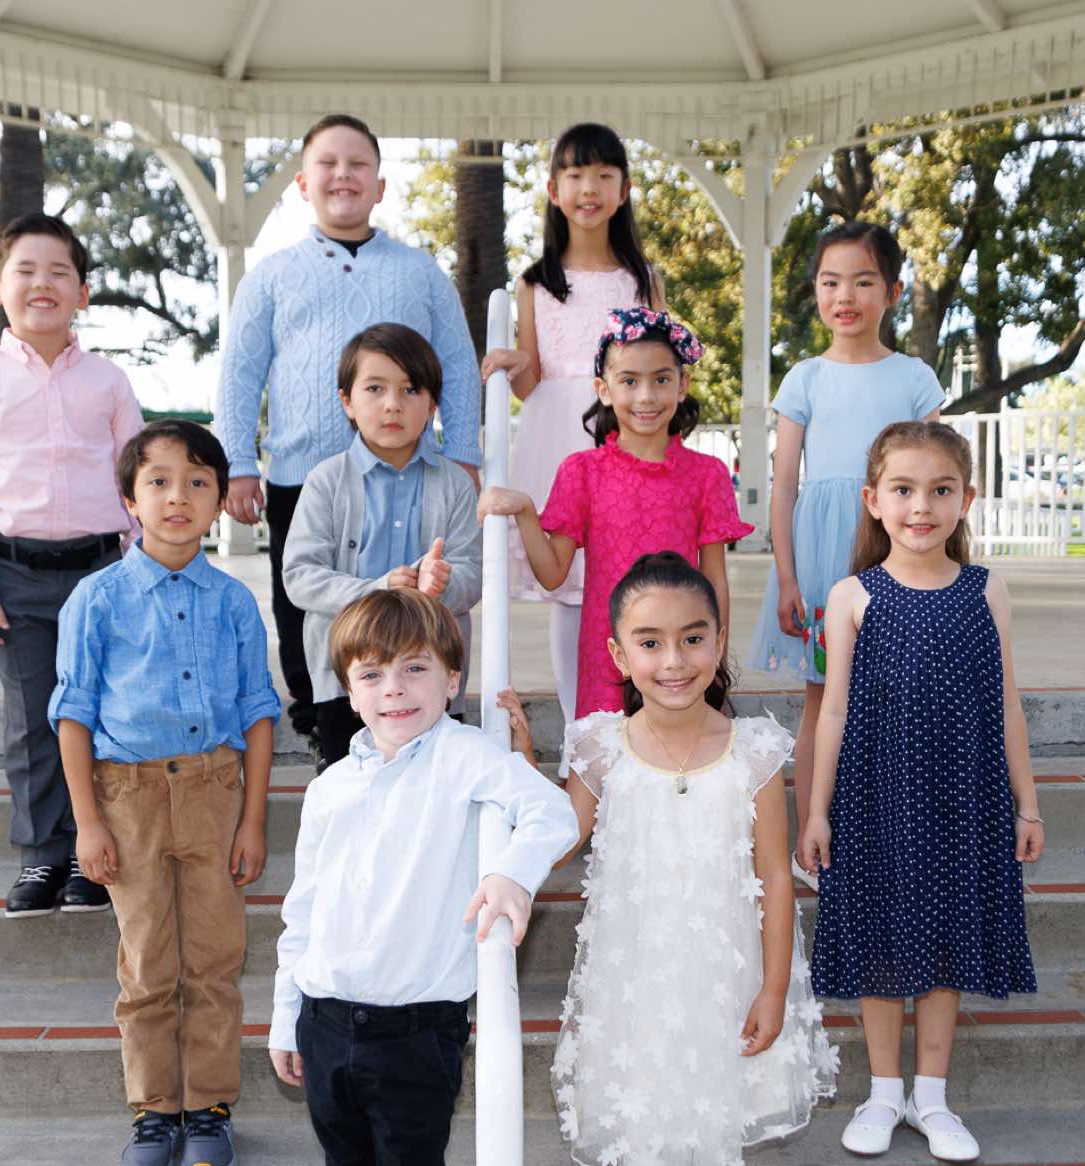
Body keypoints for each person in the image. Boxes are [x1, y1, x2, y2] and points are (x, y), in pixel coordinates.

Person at [512, 551, 835, 1166]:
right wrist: (518, 766)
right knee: (646, 1127)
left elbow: (774, 875)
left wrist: (772, 986)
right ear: (618, 654)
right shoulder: (600, 747)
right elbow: (560, 841)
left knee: (716, 1125)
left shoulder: (753, 752)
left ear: (718, 642)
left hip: (723, 975)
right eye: (650, 642)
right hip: (636, 977)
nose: (674, 660)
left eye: (693, 638)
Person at [269, 589, 578, 1166]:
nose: (394, 690)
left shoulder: (465, 757)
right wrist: (284, 1014)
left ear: (451, 678)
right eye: (372, 675)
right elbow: (302, 910)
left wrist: (511, 874)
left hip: (414, 1035)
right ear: (349, 689)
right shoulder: (330, 787)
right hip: (326, 1023)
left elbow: (555, 814)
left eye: (415, 669)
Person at [799, 421, 1044, 1166]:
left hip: (966, 800)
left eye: (941, 491)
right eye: (903, 490)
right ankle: (882, 1092)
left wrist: (1027, 803)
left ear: (966, 500)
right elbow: (832, 711)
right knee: (881, 939)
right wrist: (816, 810)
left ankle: (931, 1097)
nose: (921, 507)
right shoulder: (853, 595)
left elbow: (1007, 701)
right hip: (876, 798)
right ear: (873, 500)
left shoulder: (985, 589)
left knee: (946, 943)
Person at [45, 420, 278, 1166]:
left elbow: (257, 711)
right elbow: (74, 714)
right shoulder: (96, 600)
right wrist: (87, 822)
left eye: (198, 482)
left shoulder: (234, 602)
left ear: (219, 500)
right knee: (148, 963)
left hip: (214, 793)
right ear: (129, 498)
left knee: (213, 958)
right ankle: (154, 1112)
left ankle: (208, 1108)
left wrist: (252, 818)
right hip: (129, 798)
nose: (179, 497)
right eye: (159, 481)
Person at [217, 113, 482, 748]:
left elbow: (457, 364)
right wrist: (238, 462)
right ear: (303, 183)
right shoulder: (271, 275)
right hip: (302, 474)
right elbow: (240, 371)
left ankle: (420, 717)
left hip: (411, 473)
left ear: (380, 185)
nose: (343, 175)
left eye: (358, 164)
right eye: (328, 164)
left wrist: (463, 451)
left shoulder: (419, 272)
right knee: (306, 608)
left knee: (412, 605)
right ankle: (324, 721)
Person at [0, 211, 143, 918]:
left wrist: (144, 569)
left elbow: (138, 481)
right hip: (14, 573)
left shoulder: (108, 382)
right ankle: (43, 854)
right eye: (25, 270)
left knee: (101, 711)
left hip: (101, 573)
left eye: (59, 271)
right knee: (33, 717)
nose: (43, 283)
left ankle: (95, 853)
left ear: (82, 292)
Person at [746, 222, 948, 886]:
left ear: (892, 291)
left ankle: (889, 835)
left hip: (893, 549)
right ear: (816, 290)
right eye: (831, 282)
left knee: (896, 695)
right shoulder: (805, 378)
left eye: (863, 282)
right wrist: (788, 577)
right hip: (821, 558)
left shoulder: (914, 378)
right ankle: (813, 838)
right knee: (822, 698)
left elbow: (933, 474)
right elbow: (784, 487)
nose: (845, 296)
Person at [476, 308, 750, 719]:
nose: (646, 396)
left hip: (680, 656)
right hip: (607, 654)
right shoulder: (581, 472)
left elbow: (715, 580)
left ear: (683, 385)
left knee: (680, 750)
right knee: (608, 752)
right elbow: (552, 575)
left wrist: (713, 659)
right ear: (603, 389)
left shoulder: (707, 474)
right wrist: (525, 511)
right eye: (629, 381)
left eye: (661, 379)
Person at [479, 121, 663, 725]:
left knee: (631, 580)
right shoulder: (536, 283)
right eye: (576, 175)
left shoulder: (642, 281)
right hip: (557, 440)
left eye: (604, 175)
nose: (589, 189)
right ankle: (581, 728)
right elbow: (533, 377)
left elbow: (660, 367)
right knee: (571, 590)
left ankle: (636, 721)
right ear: (554, 191)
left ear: (624, 190)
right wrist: (513, 364)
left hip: (624, 438)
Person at [283, 323, 483, 769]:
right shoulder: (325, 481)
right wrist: (377, 589)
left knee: (433, 788)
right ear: (347, 401)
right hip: (346, 681)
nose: (393, 404)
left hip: (431, 683)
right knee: (351, 787)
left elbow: (472, 575)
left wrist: (441, 586)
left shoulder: (455, 484)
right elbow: (300, 576)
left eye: (410, 390)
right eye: (375, 388)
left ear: (432, 404)